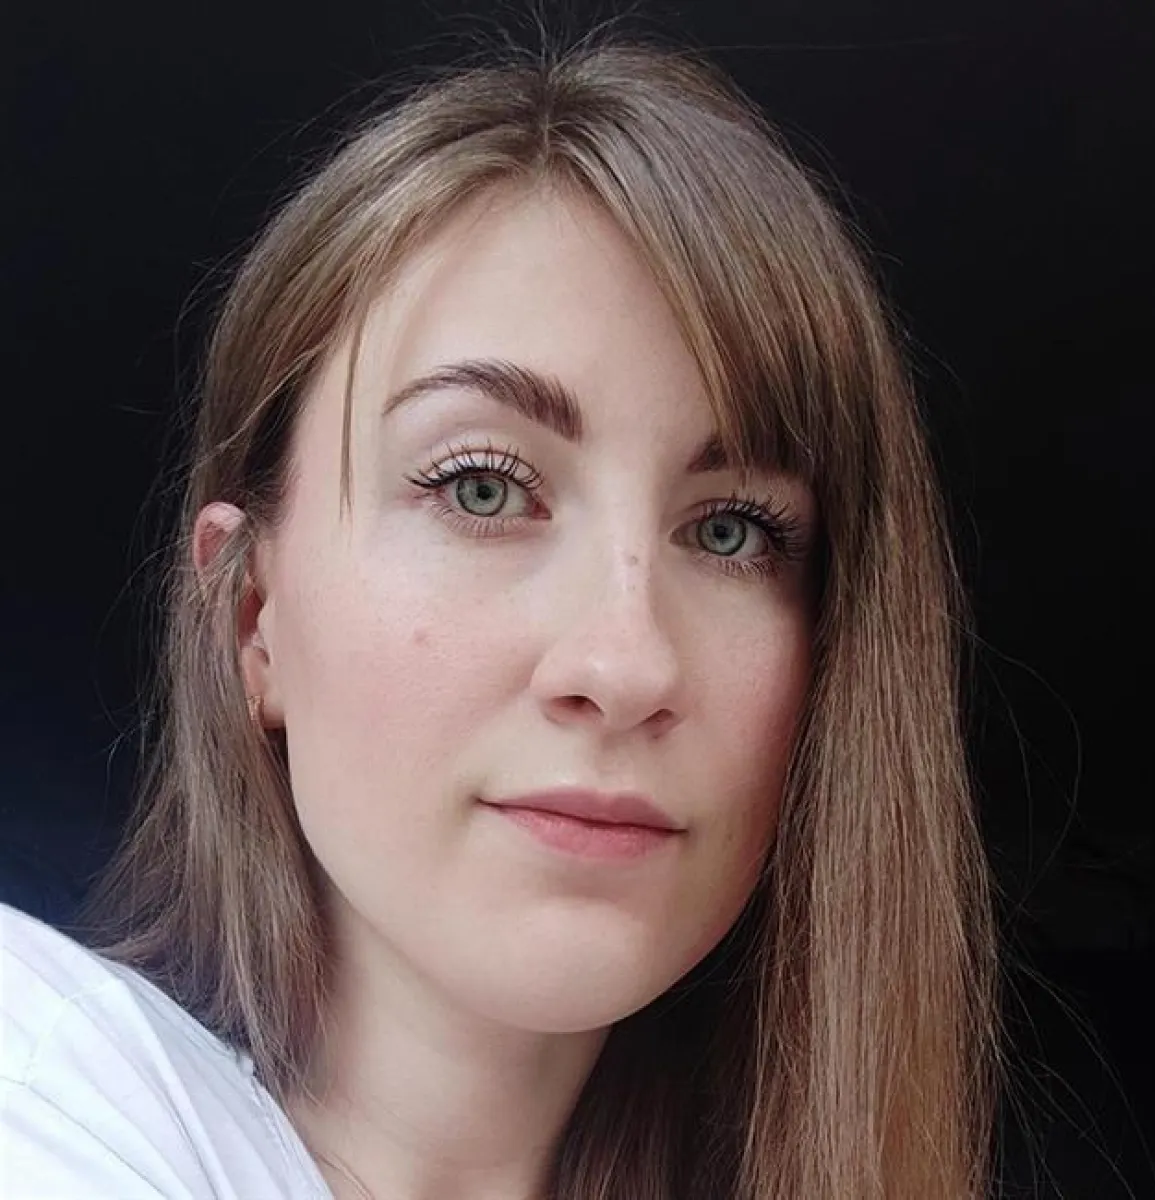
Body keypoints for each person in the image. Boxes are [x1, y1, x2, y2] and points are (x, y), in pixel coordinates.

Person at [0, 28, 1000, 1200]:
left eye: (733, 530)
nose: (625, 664)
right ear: (253, 618)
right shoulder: (45, 1083)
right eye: (481, 487)